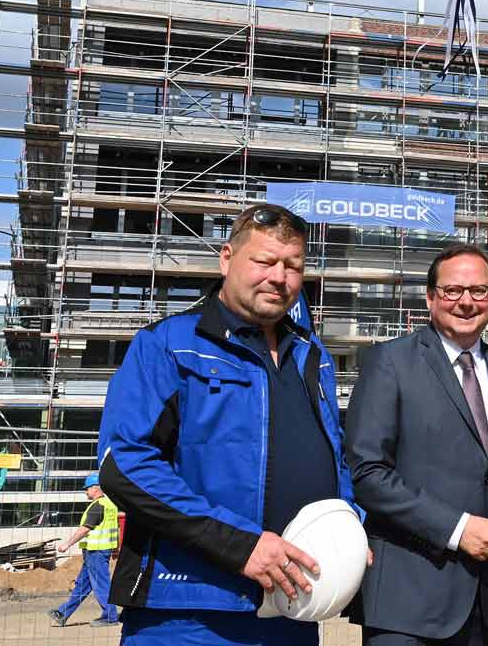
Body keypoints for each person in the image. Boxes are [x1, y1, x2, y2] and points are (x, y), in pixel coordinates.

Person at [97, 203, 360, 646]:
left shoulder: (313, 356)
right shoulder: (168, 345)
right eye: (264, 261)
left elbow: (336, 459)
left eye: (293, 266)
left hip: (291, 607)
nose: (279, 276)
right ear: (226, 258)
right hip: (189, 612)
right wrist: (241, 546)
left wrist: (348, 524)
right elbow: (124, 464)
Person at [345, 242, 488, 646]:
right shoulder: (390, 362)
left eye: (479, 291)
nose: (466, 302)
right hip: (409, 602)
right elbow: (368, 473)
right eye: (452, 291)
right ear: (431, 298)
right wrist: (457, 528)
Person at [48, 473, 120, 627]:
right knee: (82, 585)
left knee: (101, 584)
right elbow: (116, 529)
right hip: (95, 552)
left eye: (87, 489)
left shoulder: (98, 506)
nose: (85, 492)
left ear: (95, 489)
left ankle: (110, 616)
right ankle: (63, 613)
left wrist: (66, 544)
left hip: (97, 552)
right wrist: (115, 548)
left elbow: (85, 529)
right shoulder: (110, 505)